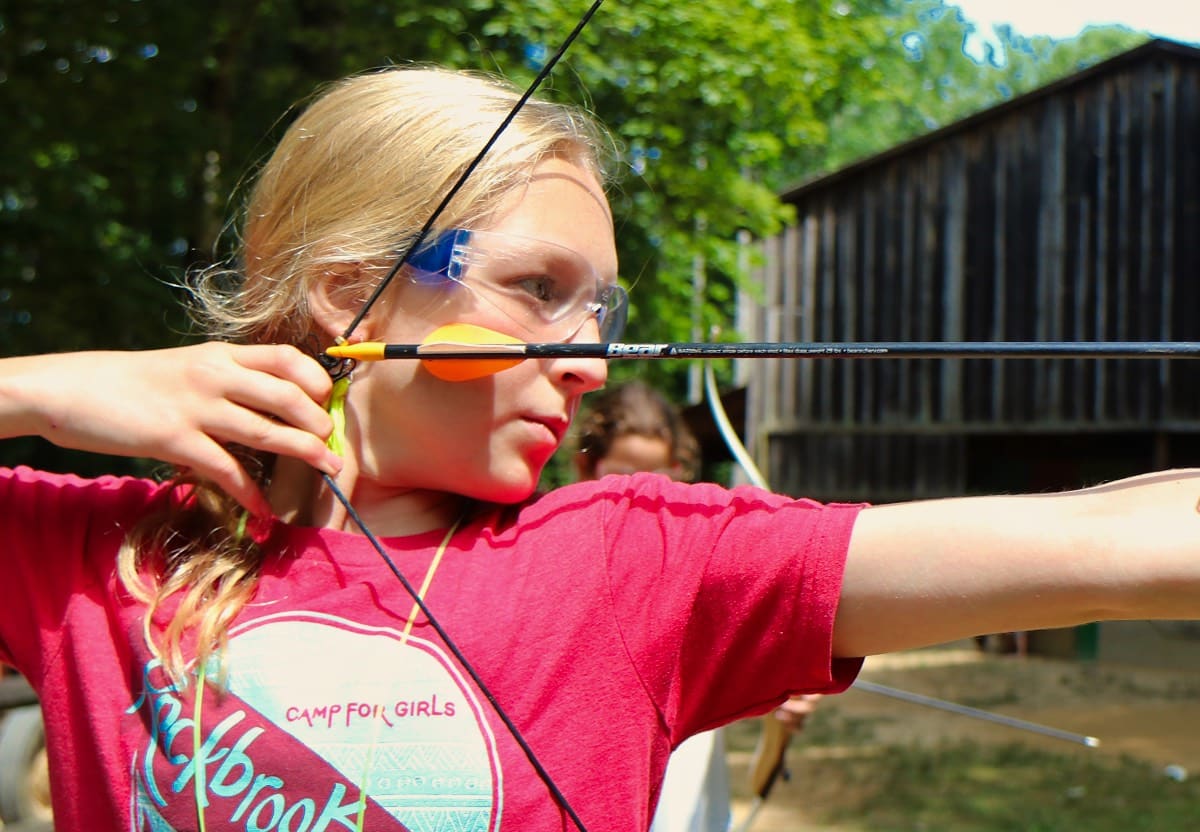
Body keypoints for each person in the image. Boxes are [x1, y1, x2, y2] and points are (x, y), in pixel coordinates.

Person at [2, 66, 1200, 832]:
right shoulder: (103, 553)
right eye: (537, 290)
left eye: (604, 313)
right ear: (351, 294)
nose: (591, 363)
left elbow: (1118, 537)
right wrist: (43, 388)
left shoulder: (637, 564)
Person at [573, 381, 726, 832]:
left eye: (656, 479)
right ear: (587, 466)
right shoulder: (558, 548)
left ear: (678, 471)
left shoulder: (697, 552)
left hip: (685, 764)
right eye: (620, 475)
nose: (638, 495)